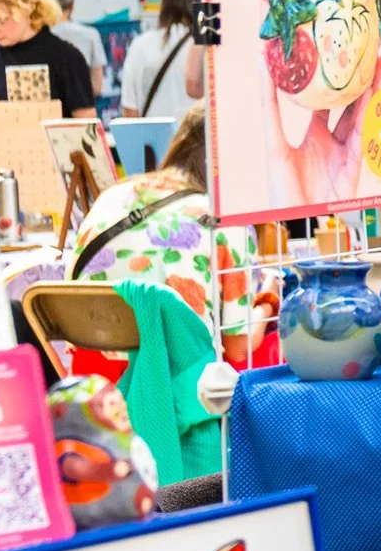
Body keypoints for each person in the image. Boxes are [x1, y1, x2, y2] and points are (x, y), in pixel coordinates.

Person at [66, 107, 263, 365]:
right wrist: (268, 303)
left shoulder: (113, 197)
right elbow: (239, 346)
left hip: (94, 388)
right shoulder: (226, 221)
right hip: (178, 391)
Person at [117, 0, 201, 120]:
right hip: (195, 140)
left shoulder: (140, 45)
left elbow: (130, 110)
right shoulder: (203, 48)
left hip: (152, 141)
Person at [45, 0, 107, 96]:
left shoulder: (37, 37)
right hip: (83, 105)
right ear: (72, 5)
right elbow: (97, 87)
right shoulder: (90, 35)